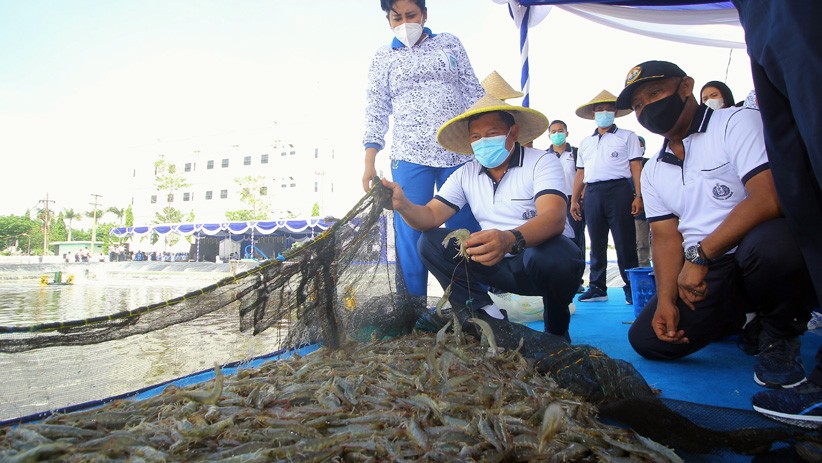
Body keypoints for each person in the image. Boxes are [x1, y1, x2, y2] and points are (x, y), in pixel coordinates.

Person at [615, 60, 815, 390]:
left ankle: (780, 334)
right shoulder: (652, 170)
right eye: (638, 105)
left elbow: (768, 197)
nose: (647, 107)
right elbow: (665, 237)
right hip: (710, 270)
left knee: (772, 246)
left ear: (685, 86)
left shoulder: (736, 122)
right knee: (649, 340)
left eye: (654, 93)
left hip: (752, 253)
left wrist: (699, 257)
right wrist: (666, 299)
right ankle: (738, 319)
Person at [380, 82, 584, 339]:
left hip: (535, 263)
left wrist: (509, 239)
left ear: (513, 133)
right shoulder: (465, 173)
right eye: (476, 137)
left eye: (492, 133)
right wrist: (403, 205)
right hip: (494, 265)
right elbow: (430, 217)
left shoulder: (542, 162)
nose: (483, 142)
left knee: (557, 254)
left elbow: (553, 217)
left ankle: (556, 329)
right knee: (431, 242)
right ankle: (487, 317)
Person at [731, 1, 822, 427]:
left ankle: (782, 326)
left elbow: (764, 199)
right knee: (802, 188)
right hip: (759, 14)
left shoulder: (730, 125)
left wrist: (699, 257)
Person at [361, 0, 483, 301]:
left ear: (424, 14)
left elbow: (472, 92)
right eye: (396, 17)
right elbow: (376, 109)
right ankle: (412, 306)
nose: (404, 23)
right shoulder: (383, 57)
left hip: (458, 152)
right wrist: (369, 160)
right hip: (409, 155)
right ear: (388, 20)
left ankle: (474, 302)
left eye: (411, 15)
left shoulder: (449, 43)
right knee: (411, 232)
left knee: (465, 227)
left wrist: (486, 139)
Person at [571, 90, 642, 304]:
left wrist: (638, 195)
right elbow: (581, 173)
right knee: (596, 241)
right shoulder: (585, 142)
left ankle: (631, 287)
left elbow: (636, 166)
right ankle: (597, 287)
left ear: (616, 112)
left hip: (619, 190)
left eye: (609, 109)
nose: (604, 113)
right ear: (593, 113)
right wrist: (575, 199)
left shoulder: (627, 136)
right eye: (600, 110)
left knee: (624, 240)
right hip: (592, 192)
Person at [547, 119, 585, 293]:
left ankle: (577, 280)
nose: (557, 134)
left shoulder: (576, 153)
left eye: (560, 130)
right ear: (548, 135)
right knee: (554, 241)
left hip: (573, 200)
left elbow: (584, 176)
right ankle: (557, 278)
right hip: (551, 200)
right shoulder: (544, 156)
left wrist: (579, 198)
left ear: (567, 133)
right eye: (553, 131)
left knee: (576, 241)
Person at [634, 136, 651, 268]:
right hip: (623, 212)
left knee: (643, 244)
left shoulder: (649, 164)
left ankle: (644, 271)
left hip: (644, 212)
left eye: (640, 145)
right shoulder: (622, 167)